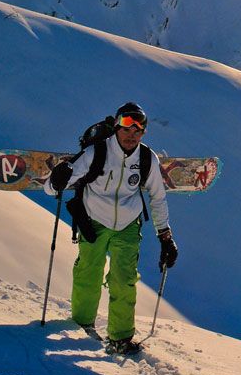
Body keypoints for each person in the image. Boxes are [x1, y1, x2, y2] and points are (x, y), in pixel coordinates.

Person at [46, 101, 179, 354]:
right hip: (94, 219)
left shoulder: (147, 158)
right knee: (88, 271)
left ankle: (120, 337)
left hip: (128, 224)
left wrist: (165, 236)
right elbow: (55, 187)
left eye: (138, 129)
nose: (132, 134)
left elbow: (158, 196)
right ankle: (81, 322)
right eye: (127, 127)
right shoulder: (96, 153)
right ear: (117, 126)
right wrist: (55, 181)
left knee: (124, 279)